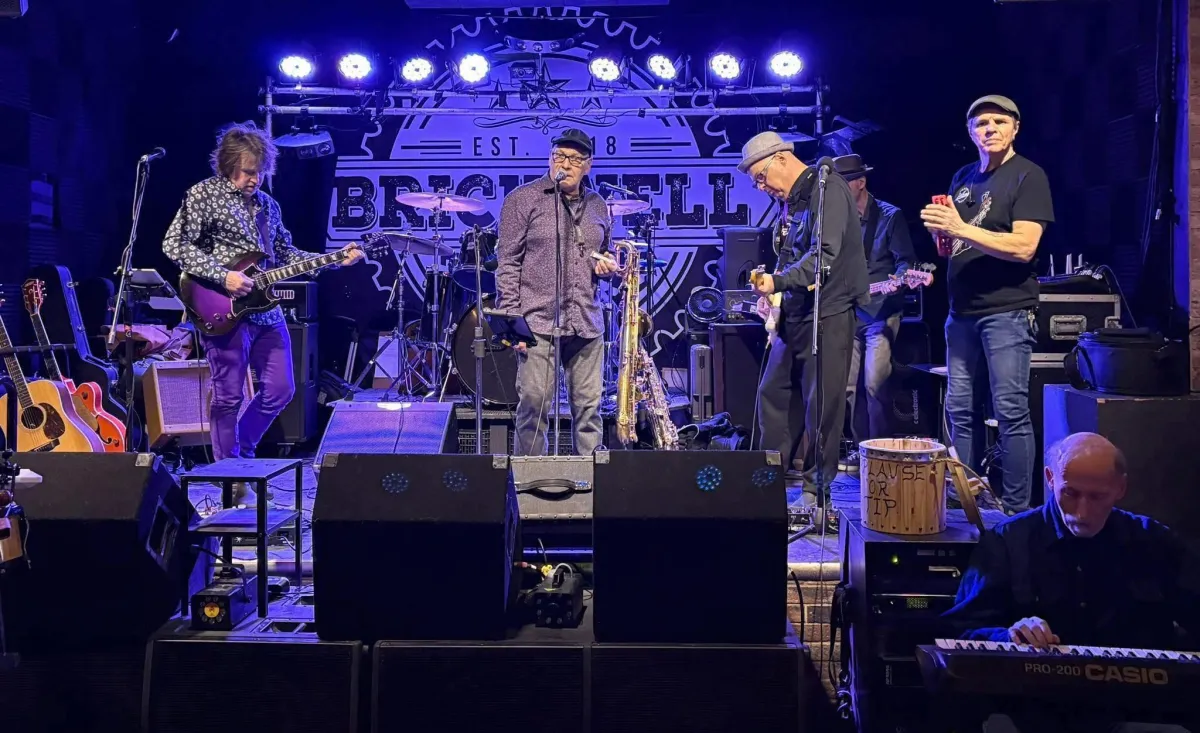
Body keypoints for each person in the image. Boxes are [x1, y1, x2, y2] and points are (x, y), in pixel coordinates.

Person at [943, 433, 1200, 733]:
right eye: (1070, 493)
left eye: (1097, 497)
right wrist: (1008, 636)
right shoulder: (1008, 542)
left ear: (1120, 488)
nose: (1082, 513)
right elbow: (960, 630)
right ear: (1051, 479)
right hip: (1036, 716)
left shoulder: (1153, 542)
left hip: (1136, 712)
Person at [163, 122, 364, 503]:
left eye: (260, 172)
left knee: (281, 389)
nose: (255, 179)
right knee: (227, 397)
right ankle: (232, 474)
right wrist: (223, 276)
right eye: (247, 171)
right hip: (220, 307)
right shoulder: (203, 195)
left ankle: (240, 455)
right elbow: (174, 245)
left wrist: (335, 259)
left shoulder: (268, 207)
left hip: (266, 311)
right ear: (228, 166)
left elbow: (287, 255)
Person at [920, 95, 1054, 515]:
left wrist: (959, 227)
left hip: (1006, 312)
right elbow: (952, 247)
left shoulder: (1028, 175)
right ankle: (966, 500)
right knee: (959, 409)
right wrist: (941, 233)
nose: (990, 128)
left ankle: (1015, 511)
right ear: (970, 132)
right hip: (961, 312)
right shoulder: (963, 177)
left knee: (1010, 411)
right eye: (981, 123)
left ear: (1015, 128)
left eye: (999, 121)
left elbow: (1024, 247)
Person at [740, 132, 869, 517]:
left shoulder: (828, 188)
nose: (762, 187)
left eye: (761, 177)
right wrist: (773, 296)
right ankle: (766, 487)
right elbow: (792, 257)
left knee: (822, 408)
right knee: (773, 396)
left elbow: (822, 257)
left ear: (780, 158)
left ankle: (816, 494)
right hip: (793, 317)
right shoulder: (792, 203)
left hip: (828, 315)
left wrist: (778, 282)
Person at [495, 128, 620, 456]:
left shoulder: (598, 205)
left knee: (589, 409)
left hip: (586, 322)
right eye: (559, 156)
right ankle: (530, 478)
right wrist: (511, 322)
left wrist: (607, 266)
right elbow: (507, 263)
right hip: (537, 322)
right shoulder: (523, 199)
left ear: (588, 165)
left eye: (574, 159)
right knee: (534, 405)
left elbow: (603, 254)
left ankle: (591, 479)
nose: (564, 164)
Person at [832, 154, 915, 471]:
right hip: (847, 312)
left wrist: (899, 281)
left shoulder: (890, 217)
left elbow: (906, 262)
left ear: (860, 183)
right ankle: (861, 449)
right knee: (847, 388)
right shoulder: (836, 220)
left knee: (875, 383)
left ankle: (881, 453)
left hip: (880, 312)